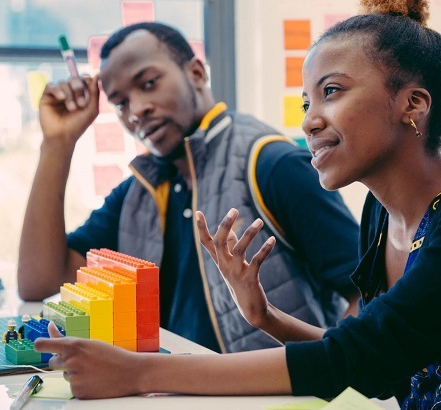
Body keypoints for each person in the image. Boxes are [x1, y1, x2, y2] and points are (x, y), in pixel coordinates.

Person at [34, 0, 441, 409]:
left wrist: (140, 373)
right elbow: (387, 367)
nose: (309, 121)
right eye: (307, 103)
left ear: (413, 105)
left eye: (332, 92)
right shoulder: (379, 215)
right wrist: (267, 316)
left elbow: (364, 353)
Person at [18, 21, 360, 353]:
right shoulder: (139, 190)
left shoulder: (270, 163)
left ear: (197, 73)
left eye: (149, 83)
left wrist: (334, 373)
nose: (137, 109)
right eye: (120, 102)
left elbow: (370, 291)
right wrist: (57, 143)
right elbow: (40, 281)